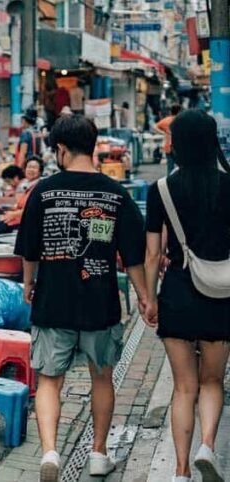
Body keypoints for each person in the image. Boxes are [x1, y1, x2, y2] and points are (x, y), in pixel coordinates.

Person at [14, 115, 148, 481]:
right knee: (102, 379)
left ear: (59, 149)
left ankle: (50, 453)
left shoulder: (43, 191)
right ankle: (98, 455)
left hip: (53, 301)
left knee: (49, 382)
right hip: (99, 303)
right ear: (93, 147)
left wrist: (28, 283)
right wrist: (145, 297)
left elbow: (29, 249)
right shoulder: (115, 193)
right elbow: (133, 255)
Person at [143, 110, 230, 482]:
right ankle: (208, 445)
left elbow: (150, 255)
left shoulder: (161, 190)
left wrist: (148, 298)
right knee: (212, 381)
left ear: (176, 143)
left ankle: (180, 472)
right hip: (222, 295)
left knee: (183, 387)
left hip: (177, 292)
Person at [0, 157, 44, 235]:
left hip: (29, 222)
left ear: (40, 171)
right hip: (20, 218)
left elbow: (34, 209)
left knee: (0, 226)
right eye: (29, 167)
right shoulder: (28, 185)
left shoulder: (40, 186)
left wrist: (14, 214)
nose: (31, 170)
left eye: (34, 168)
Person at [155, 104, 182, 174]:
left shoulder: (166, 120)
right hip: (179, 146)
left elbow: (155, 127)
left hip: (168, 146)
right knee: (181, 166)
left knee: (170, 167)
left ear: (171, 112)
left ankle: (170, 182)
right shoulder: (181, 120)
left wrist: (163, 132)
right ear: (179, 111)